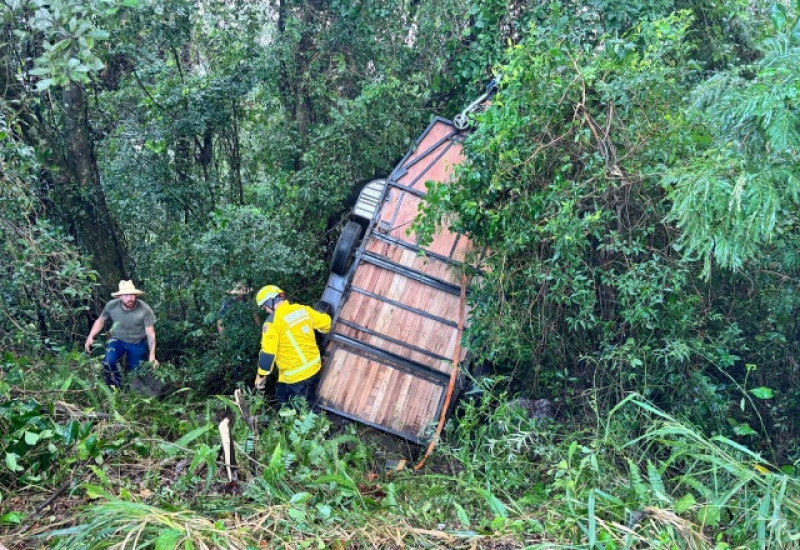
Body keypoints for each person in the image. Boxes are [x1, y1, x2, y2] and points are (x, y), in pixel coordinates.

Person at [253, 285, 331, 405]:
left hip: (297, 376)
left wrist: (261, 376)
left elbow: (268, 354)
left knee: (305, 410)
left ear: (270, 302)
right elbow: (326, 324)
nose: (266, 311)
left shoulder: (272, 323)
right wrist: (322, 314)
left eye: (265, 307)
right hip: (313, 367)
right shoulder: (303, 310)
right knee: (281, 398)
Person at [84, 280, 158, 388]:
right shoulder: (111, 306)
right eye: (126, 295)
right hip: (117, 340)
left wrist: (152, 356)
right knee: (108, 362)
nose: (130, 298)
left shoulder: (144, 309)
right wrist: (90, 336)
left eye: (133, 295)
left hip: (136, 342)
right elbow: (100, 320)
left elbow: (151, 334)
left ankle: (135, 394)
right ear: (120, 297)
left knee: (136, 372)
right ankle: (115, 389)